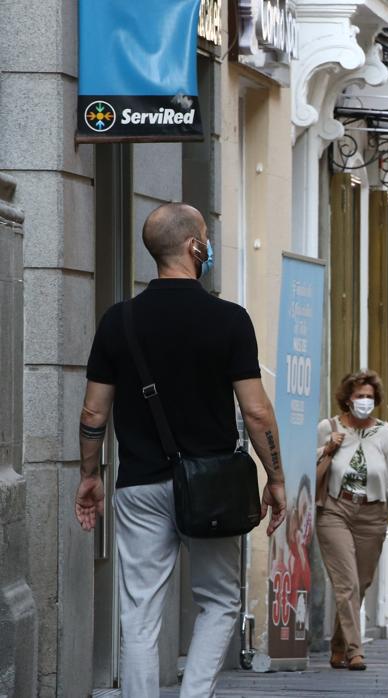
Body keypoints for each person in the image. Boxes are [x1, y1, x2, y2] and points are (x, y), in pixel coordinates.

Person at [75, 202, 287, 698]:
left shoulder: (118, 321)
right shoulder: (229, 320)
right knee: (217, 601)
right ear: (196, 247)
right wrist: (274, 477)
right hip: (212, 486)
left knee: (140, 608)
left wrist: (91, 475)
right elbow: (256, 413)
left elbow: (92, 414)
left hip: (140, 484)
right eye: (207, 237)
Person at [316, 370, 388, 671]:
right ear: (347, 399)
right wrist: (328, 446)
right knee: (347, 584)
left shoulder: (385, 432)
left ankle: (339, 645)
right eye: (359, 396)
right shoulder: (328, 427)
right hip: (335, 509)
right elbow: (308, 462)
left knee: (362, 583)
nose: (365, 402)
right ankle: (357, 651)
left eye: (369, 397)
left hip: (372, 513)